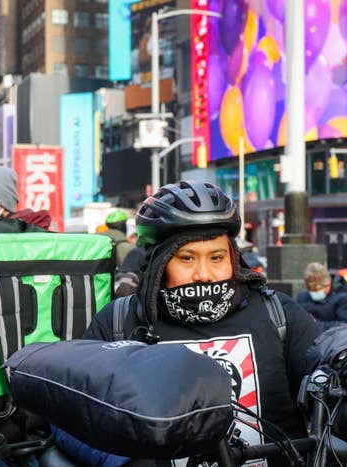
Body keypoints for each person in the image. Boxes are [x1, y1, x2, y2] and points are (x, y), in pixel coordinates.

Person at [54, 180, 321, 465]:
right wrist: (121, 460)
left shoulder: (278, 314)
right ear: (159, 263)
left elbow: (328, 386)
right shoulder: (118, 321)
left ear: (233, 258)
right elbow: (71, 416)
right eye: (187, 258)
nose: (204, 274)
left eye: (217, 257)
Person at [297, 262, 347, 329]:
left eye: (319, 289)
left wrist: (316, 324)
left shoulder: (343, 298)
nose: (315, 292)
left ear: (328, 284)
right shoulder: (302, 297)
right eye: (312, 290)